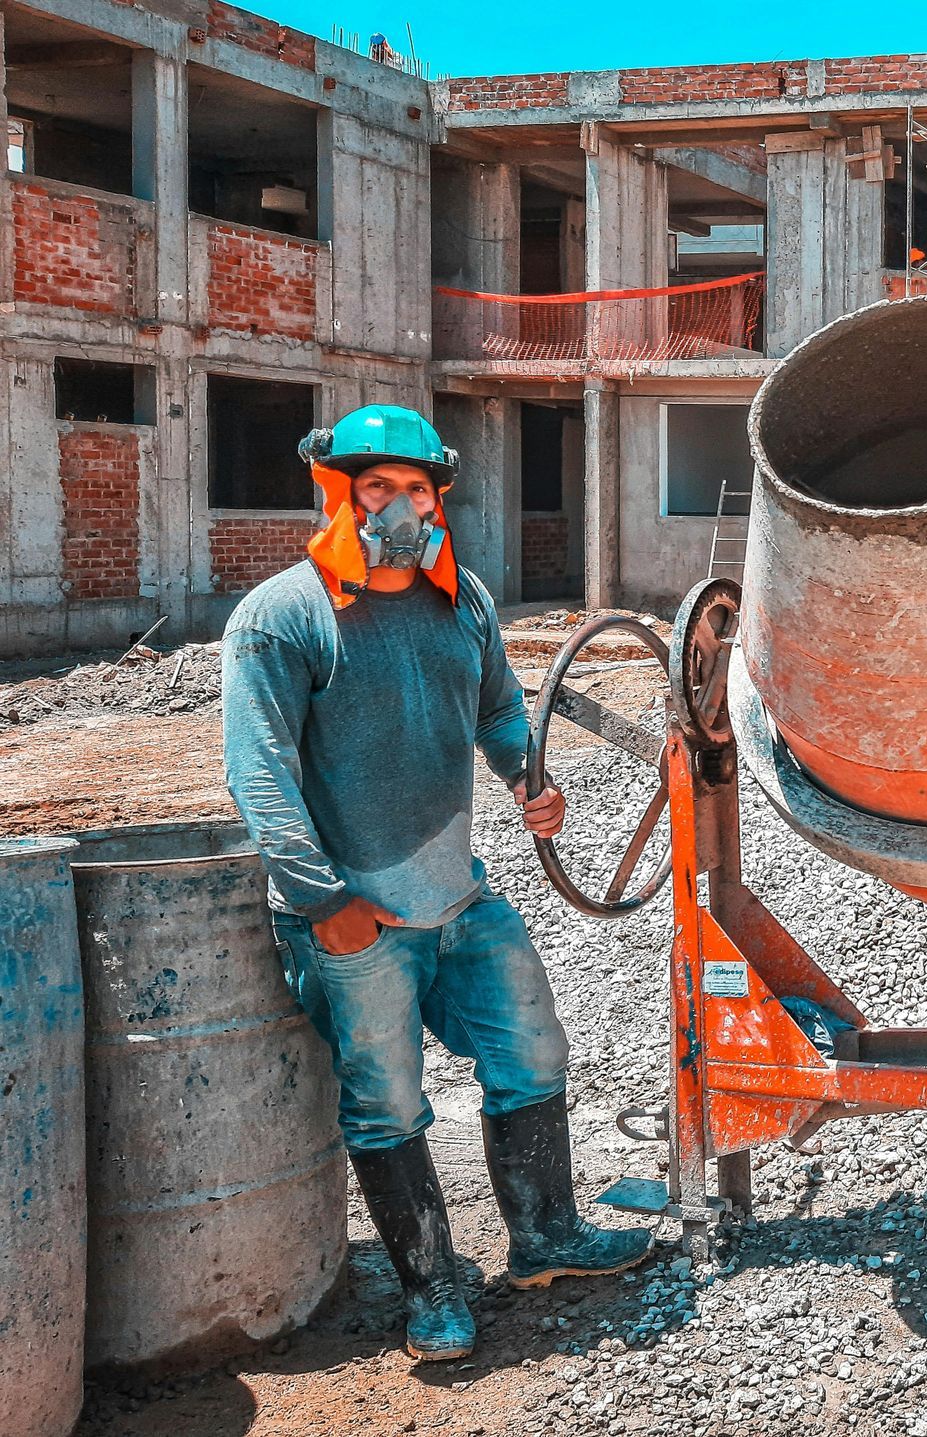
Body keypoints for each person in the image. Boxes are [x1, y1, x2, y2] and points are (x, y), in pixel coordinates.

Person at [221, 404, 653, 1364]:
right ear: (337, 492)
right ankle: (432, 1288)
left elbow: (497, 706)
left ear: (439, 498)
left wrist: (526, 779)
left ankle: (546, 1240)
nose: (402, 508)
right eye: (379, 488)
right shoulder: (285, 617)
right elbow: (258, 774)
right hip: (354, 919)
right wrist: (326, 903)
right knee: (388, 1105)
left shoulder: (464, 603)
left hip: (461, 899)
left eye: (418, 490)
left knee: (533, 1049)